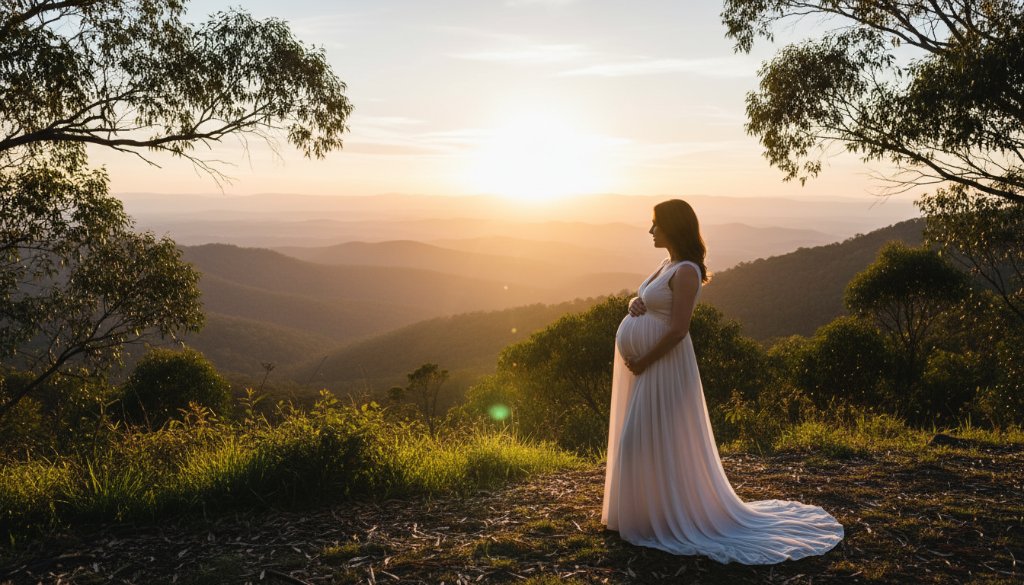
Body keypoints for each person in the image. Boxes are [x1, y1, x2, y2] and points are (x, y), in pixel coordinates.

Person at [601, 199, 844, 564]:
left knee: (643, 439)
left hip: (663, 367)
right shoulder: (665, 265)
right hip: (647, 367)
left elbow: (680, 329)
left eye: (655, 224)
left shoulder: (686, 270)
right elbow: (653, 302)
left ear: (673, 227)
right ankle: (645, 516)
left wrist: (645, 360)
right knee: (643, 439)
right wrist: (635, 303)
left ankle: (661, 519)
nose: (650, 231)